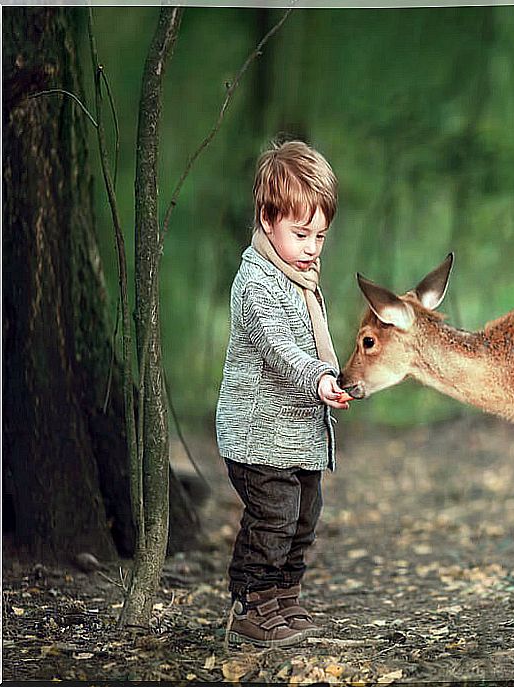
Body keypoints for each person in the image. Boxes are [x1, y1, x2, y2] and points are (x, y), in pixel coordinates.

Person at [216, 139, 351, 647]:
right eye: (301, 234)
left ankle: (284, 600)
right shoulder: (256, 283)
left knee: (303, 518)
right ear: (267, 219)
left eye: (320, 235)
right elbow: (279, 348)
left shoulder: (300, 276)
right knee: (272, 519)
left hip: (298, 435)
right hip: (258, 436)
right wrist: (318, 378)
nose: (313, 247)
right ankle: (250, 605)